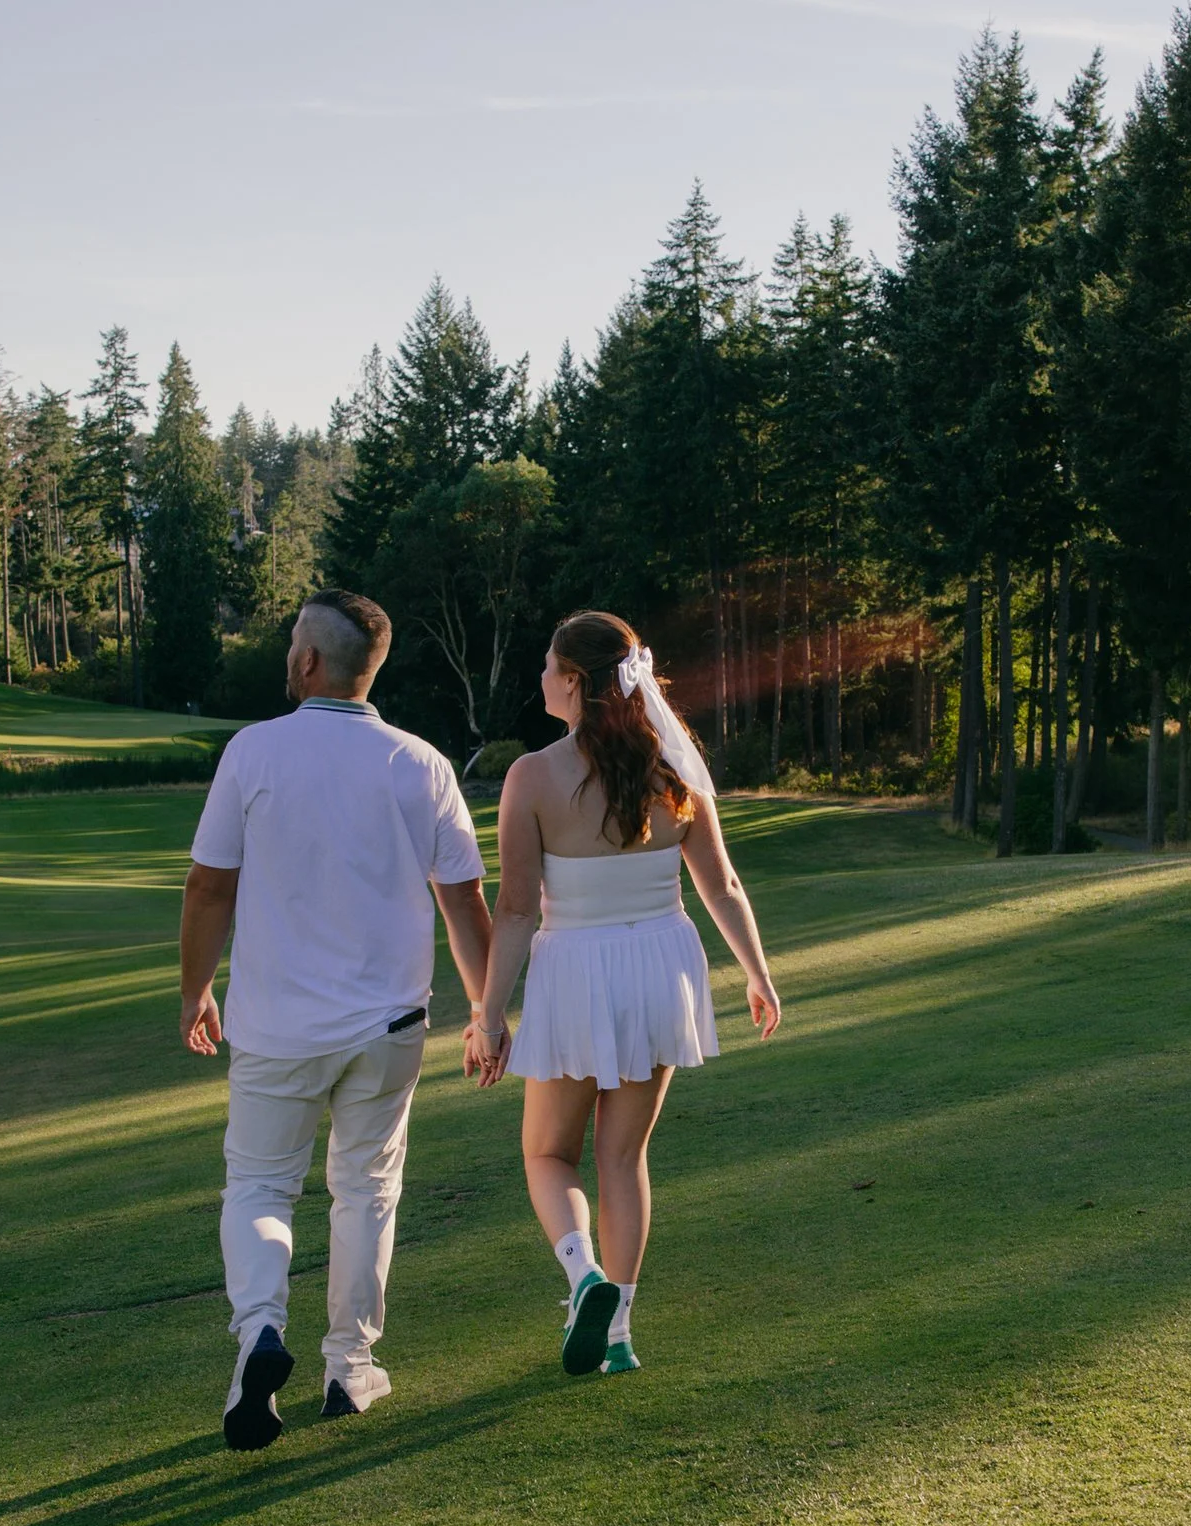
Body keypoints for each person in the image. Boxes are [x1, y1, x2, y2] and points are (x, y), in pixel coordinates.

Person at [181, 590, 492, 1448]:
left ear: (310, 662)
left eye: (292, 643)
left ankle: (259, 1337)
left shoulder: (253, 752)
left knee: (258, 1185)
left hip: (276, 1025)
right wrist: (487, 1010)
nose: (289, 653)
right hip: (388, 1025)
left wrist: (193, 990)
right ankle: (350, 1369)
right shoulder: (420, 762)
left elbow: (210, 885)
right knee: (365, 1193)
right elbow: (464, 900)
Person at [468, 610, 780, 1376]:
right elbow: (723, 886)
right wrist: (758, 973)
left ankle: (585, 1278)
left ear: (573, 681)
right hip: (659, 968)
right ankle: (620, 1335)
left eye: (547, 665)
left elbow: (513, 908)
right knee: (623, 1155)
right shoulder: (672, 769)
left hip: (576, 967)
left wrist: (488, 1015)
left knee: (547, 1152)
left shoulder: (533, 777)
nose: (540, 677)